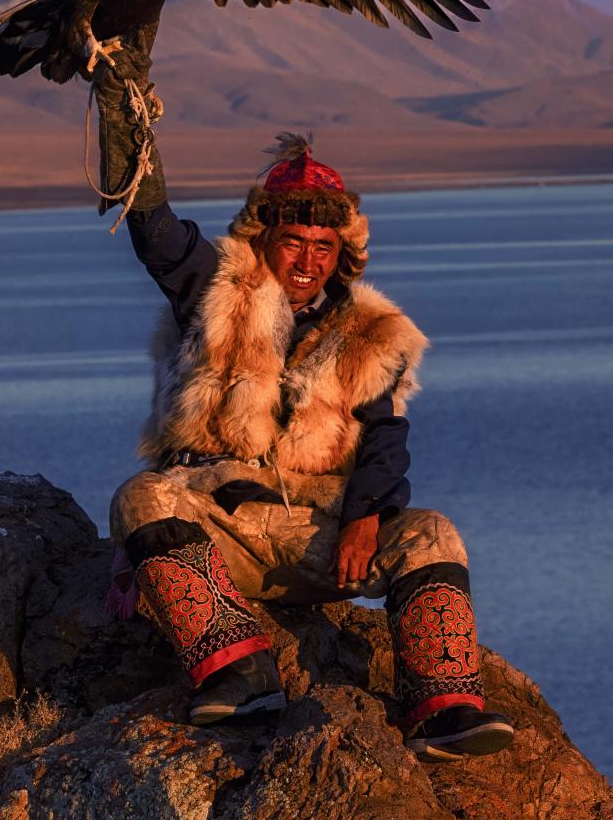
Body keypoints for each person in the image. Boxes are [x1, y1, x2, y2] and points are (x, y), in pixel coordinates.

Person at [105, 131, 515, 761]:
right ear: (262, 237)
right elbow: (153, 229)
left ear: (342, 252)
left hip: (316, 534)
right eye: (293, 241)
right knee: (142, 497)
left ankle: (444, 707)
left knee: (432, 532)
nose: (307, 260)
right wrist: (125, 113)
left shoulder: (373, 333)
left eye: (324, 247)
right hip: (219, 523)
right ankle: (240, 675)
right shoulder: (213, 288)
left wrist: (363, 518)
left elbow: (385, 441)